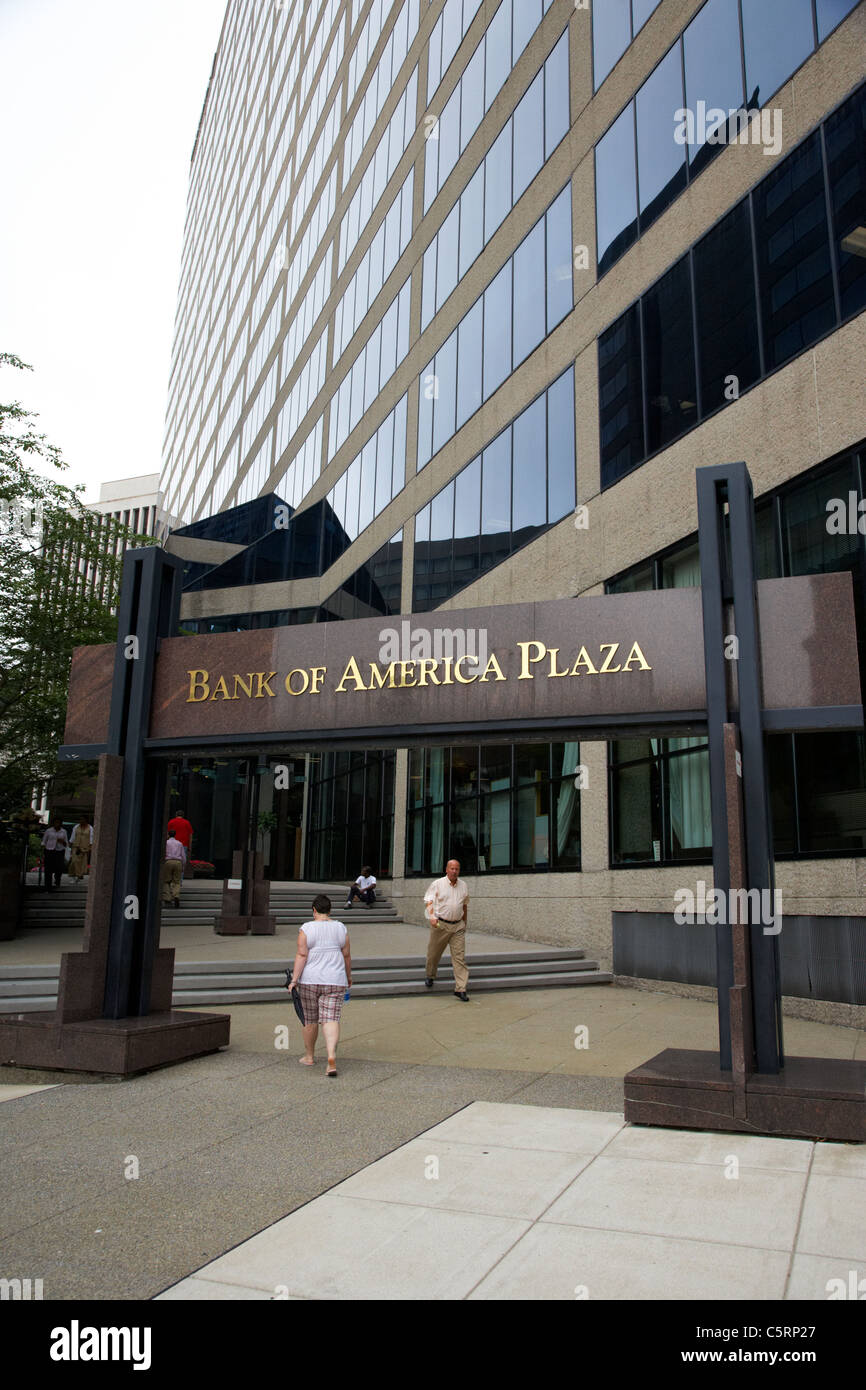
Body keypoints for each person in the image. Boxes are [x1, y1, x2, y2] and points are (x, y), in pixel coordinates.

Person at [287, 893, 351, 1077]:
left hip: (310, 980)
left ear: (314, 910)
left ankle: (309, 1056)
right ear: (330, 910)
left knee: (310, 1019)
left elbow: (301, 955)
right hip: (335, 980)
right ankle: (331, 1057)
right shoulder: (341, 928)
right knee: (330, 1019)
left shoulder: (306, 928)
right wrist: (348, 977)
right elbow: (346, 955)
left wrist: (294, 980)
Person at [423, 858, 470, 1001]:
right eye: (452, 868)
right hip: (441, 925)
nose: (454, 871)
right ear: (446, 869)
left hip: (458, 927)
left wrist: (464, 922)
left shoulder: (463, 885)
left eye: (457, 869)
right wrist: (431, 916)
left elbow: (465, 905)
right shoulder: (437, 884)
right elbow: (429, 900)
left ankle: (460, 988)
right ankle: (430, 975)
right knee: (434, 954)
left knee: (459, 958)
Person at [41, 816, 69, 891]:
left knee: (59, 867)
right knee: (48, 869)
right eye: (55, 822)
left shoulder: (63, 831)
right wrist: (43, 848)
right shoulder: (49, 831)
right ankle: (48, 885)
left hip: (59, 851)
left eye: (58, 823)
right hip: (50, 850)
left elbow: (66, 843)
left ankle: (57, 880)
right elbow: (44, 841)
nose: (57, 824)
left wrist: (62, 842)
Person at [161, 833, 186, 907]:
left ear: (168, 835)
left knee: (166, 881)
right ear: (175, 835)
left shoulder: (166, 843)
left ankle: (167, 898)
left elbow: (163, 853)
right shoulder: (179, 843)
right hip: (178, 862)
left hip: (168, 861)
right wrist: (183, 866)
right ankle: (176, 895)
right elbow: (183, 856)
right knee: (177, 881)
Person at [167, 809, 193, 878]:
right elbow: (190, 835)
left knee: (170, 859)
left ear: (176, 815)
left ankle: (170, 877)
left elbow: (167, 833)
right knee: (182, 863)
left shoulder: (171, 822)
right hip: (184, 844)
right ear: (183, 815)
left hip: (171, 843)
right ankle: (179, 879)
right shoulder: (187, 823)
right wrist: (190, 846)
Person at [68, 815, 93, 881]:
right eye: (80, 819)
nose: (81, 821)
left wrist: (91, 846)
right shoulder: (76, 827)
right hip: (76, 846)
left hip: (85, 847)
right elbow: (73, 835)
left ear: (86, 820)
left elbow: (91, 837)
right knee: (74, 861)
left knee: (82, 862)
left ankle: (79, 875)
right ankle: (75, 874)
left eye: (83, 819)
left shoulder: (90, 828)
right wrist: (70, 842)